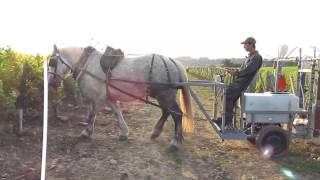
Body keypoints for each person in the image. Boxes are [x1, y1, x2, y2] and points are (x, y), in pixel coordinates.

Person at [221, 37, 263, 127]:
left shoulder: (257, 57)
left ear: (251, 44)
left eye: (245, 44)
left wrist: (236, 73)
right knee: (226, 96)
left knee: (227, 96)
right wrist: (232, 70)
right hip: (240, 83)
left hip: (245, 85)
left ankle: (227, 122)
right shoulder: (250, 57)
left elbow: (249, 70)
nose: (244, 46)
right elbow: (243, 70)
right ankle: (227, 120)